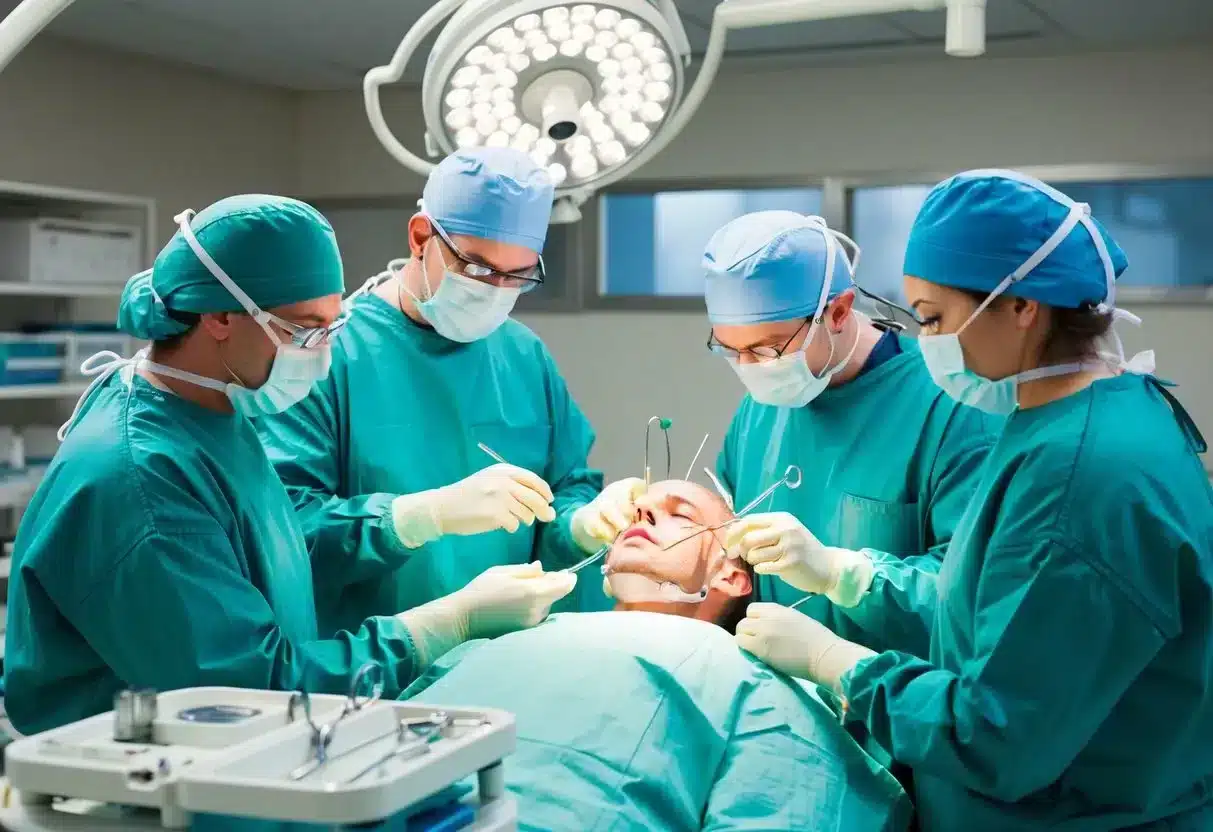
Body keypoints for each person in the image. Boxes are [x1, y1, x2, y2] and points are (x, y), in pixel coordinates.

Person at [733, 170, 1213, 830]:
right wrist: (851, 578)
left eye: (931, 318)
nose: (921, 338)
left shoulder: (1083, 476)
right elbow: (1001, 612)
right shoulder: (1083, 414)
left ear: (1022, 306)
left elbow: (997, 734)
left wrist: (839, 666)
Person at [3, 195, 575, 736]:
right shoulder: (140, 481)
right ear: (220, 317)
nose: (322, 356)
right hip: (130, 782)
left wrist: (416, 518)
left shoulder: (214, 413)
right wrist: (445, 625)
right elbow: (245, 694)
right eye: (304, 330)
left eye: (334, 328)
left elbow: (268, 554)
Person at [258, 147, 637, 627]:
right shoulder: (326, 356)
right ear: (421, 237)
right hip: (371, 668)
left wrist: (581, 524)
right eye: (478, 268)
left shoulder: (523, 354)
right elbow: (283, 531)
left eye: (518, 276)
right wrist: (417, 517)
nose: (495, 289)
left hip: (506, 657)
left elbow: (562, 489)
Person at [401, 478, 913, 831]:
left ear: (731, 576)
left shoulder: (751, 675)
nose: (641, 511)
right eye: (641, 508)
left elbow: (795, 808)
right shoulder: (504, 634)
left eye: (680, 513)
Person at [703, 211, 995, 656]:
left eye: (767, 348)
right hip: (774, 710)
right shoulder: (762, 408)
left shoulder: (953, 406)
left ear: (838, 311)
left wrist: (843, 574)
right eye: (730, 349)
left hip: (896, 708)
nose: (750, 369)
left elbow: (980, 601)